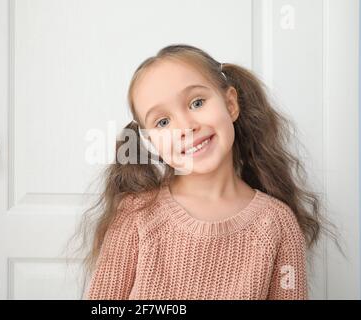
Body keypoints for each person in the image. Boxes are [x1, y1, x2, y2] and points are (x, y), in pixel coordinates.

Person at [68, 44, 337, 300]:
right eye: (163, 122)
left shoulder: (277, 224)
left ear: (230, 104)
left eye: (197, 103)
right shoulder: (136, 215)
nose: (186, 126)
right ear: (151, 141)